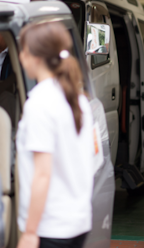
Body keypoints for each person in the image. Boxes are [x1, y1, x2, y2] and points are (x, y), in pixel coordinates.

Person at [16, 22, 95, 248]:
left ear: (35, 57)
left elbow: (42, 174)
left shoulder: (40, 103)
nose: (20, 57)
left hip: (49, 226)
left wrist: (30, 232)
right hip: (77, 221)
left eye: (23, 50)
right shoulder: (79, 99)